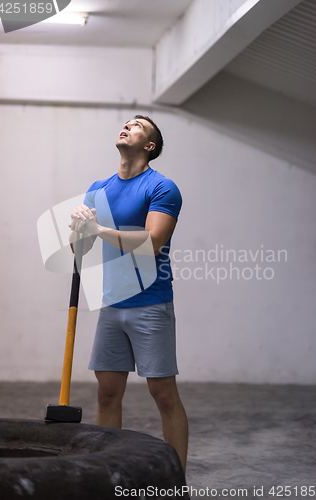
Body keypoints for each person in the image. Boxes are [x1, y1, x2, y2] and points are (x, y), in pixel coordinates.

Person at [69, 115, 188, 471]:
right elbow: (79, 253)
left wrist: (98, 228)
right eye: (126, 123)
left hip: (150, 303)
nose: (127, 126)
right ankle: (109, 474)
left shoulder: (163, 187)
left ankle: (175, 480)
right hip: (112, 303)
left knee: (164, 395)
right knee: (106, 394)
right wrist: (77, 229)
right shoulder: (98, 188)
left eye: (137, 126)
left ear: (149, 146)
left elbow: (152, 243)